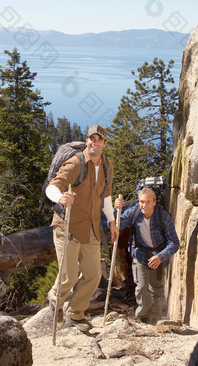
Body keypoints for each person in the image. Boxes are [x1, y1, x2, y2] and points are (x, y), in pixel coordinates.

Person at [46, 125, 118, 331]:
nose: (94, 142)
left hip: (92, 227)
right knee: (68, 276)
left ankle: (75, 313)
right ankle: (55, 299)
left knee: (94, 275)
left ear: (105, 143)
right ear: (87, 140)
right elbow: (54, 185)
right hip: (67, 226)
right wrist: (60, 197)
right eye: (91, 138)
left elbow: (106, 196)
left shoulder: (107, 166)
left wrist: (111, 222)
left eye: (99, 139)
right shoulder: (76, 163)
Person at [115, 187, 179, 325]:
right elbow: (117, 224)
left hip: (158, 255)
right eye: (141, 202)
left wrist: (160, 257)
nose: (144, 205)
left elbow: (174, 243)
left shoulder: (163, 217)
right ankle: (142, 317)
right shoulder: (134, 213)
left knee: (156, 288)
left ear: (154, 202)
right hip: (140, 254)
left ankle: (154, 320)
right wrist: (117, 209)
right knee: (142, 286)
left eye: (147, 202)